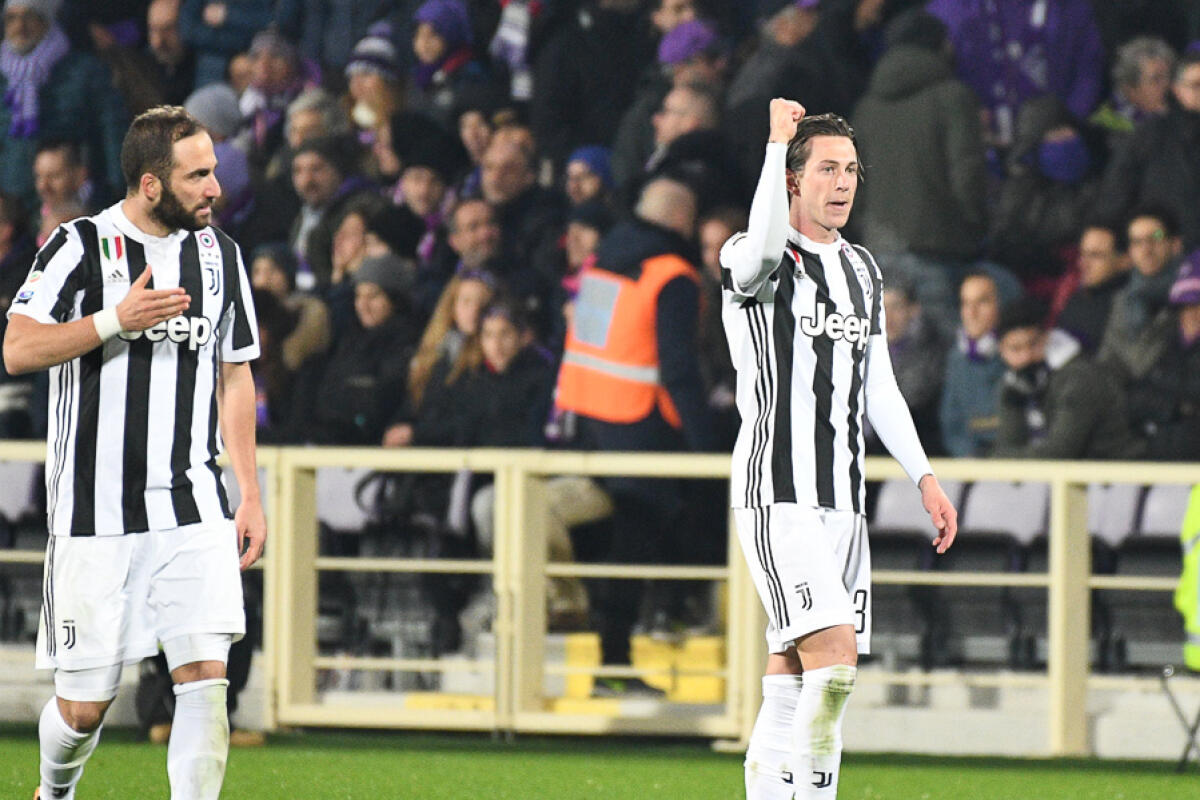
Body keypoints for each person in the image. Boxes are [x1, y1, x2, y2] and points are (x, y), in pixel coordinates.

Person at [3, 105, 264, 800]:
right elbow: (18, 347)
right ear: (151, 185)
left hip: (192, 502)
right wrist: (114, 320)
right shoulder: (79, 246)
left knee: (207, 678)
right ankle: (54, 790)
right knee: (84, 711)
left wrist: (251, 494)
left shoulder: (221, 256)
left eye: (212, 172)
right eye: (198, 175)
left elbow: (235, 372)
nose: (214, 188)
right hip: (94, 512)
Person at [719, 100, 957, 799]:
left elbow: (877, 384)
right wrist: (772, 144)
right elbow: (762, 247)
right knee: (835, 664)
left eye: (851, 169)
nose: (843, 182)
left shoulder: (862, 270)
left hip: (843, 504)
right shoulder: (751, 256)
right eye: (826, 168)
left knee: (793, 678)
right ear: (792, 180)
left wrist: (925, 477)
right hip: (777, 492)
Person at [555, 176, 717, 694]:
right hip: (638, 431)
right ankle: (631, 649)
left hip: (587, 425)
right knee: (643, 538)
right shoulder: (672, 275)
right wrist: (707, 448)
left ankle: (615, 661)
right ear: (681, 222)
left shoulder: (603, 264)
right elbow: (679, 370)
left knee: (614, 545)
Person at [992, 301, 1144, 460]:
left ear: (1047, 338)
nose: (1026, 356)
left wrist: (996, 460)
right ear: (1002, 351)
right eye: (1015, 349)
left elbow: (1059, 453)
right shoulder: (1012, 385)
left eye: (1033, 344)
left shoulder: (1079, 378)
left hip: (1117, 475)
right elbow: (1008, 446)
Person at [939, 272, 1007, 457]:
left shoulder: (1021, 353)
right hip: (969, 466)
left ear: (1001, 305)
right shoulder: (956, 358)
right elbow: (952, 426)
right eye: (966, 303)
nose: (972, 313)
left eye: (982, 302)